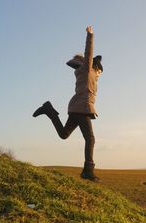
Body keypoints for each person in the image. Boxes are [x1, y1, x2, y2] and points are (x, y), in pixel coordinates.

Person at [33, 26, 103, 181]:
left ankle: (49, 110)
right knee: (90, 139)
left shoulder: (87, 75)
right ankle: (88, 171)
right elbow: (89, 53)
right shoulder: (87, 70)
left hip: (77, 108)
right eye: (100, 71)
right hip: (81, 109)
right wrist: (90, 35)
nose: (100, 75)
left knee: (64, 134)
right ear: (95, 67)